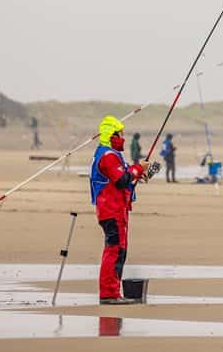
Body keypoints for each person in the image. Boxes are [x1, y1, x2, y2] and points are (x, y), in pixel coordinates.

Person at [89, 116, 152, 305]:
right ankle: (109, 294)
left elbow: (124, 179)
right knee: (114, 250)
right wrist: (138, 168)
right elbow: (122, 179)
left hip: (116, 209)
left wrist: (139, 174)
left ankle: (113, 292)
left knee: (119, 251)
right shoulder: (107, 155)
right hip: (111, 210)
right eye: (120, 134)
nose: (123, 138)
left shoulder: (111, 154)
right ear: (112, 134)